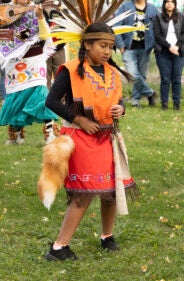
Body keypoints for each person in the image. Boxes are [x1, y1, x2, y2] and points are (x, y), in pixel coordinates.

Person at [44, 22, 138, 260]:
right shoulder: (70, 70)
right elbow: (52, 102)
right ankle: (58, 247)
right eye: (102, 46)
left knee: (112, 191)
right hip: (81, 138)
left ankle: (107, 236)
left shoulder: (112, 71)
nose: (107, 51)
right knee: (83, 194)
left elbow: (118, 99)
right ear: (87, 44)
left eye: (111, 47)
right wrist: (80, 120)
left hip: (108, 137)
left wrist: (121, 109)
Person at [0, 0, 59, 144]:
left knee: (41, 93)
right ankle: (16, 134)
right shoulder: (5, 13)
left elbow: (46, 35)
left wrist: (40, 18)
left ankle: (50, 132)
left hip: (35, 58)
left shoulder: (35, 10)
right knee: (17, 97)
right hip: (16, 62)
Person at [114, 0, 158, 107]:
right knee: (133, 74)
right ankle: (150, 93)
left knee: (142, 75)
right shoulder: (125, 7)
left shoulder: (153, 9)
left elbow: (158, 28)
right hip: (128, 47)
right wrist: (120, 45)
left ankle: (135, 101)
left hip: (145, 48)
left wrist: (154, 44)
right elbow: (116, 26)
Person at [153, 0, 184, 111]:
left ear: (175, 4)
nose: (169, 3)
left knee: (177, 78)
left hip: (178, 51)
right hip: (163, 51)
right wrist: (169, 46)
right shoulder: (158, 17)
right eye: (167, 1)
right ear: (164, 4)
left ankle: (177, 104)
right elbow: (157, 35)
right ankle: (164, 103)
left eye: (172, 1)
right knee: (165, 79)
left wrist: (177, 46)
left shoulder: (181, 17)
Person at [41, 0, 66, 88]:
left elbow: (66, 25)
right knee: (45, 78)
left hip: (58, 47)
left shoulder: (59, 8)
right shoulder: (38, 9)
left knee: (60, 77)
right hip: (44, 48)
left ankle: (61, 102)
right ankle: (45, 102)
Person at [0, 0, 13, 102]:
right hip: (2, 48)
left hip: (15, 47)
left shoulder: (17, 11)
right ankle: (4, 99)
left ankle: (13, 98)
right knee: (3, 75)